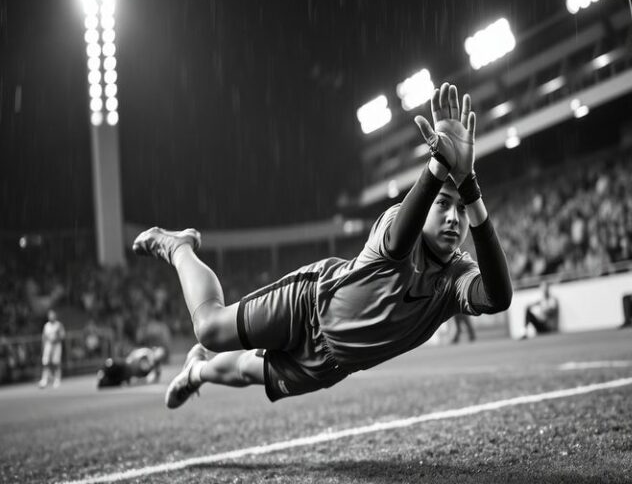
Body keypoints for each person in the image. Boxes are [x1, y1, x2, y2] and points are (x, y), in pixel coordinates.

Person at [133, 83, 512, 408]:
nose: (452, 217)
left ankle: (196, 370)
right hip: (307, 305)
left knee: (244, 370)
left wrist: (470, 187)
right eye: (443, 204)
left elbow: (497, 297)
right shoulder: (398, 222)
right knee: (210, 329)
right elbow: (398, 244)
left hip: (328, 364)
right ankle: (179, 247)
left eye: (461, 210)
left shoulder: (457, 277)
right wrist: (438, 167)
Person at [39, 309, 65, 389]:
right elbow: (44, 337)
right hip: (48, 345)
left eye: (52, 315)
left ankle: (57, 379)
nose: (51, 317)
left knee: (56, 363)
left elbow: (62, 335)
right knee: (46, 362)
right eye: (50, 315)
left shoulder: (58, 325)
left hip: (56, 345)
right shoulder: (46, 326)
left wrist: (56, 339)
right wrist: (43, 347)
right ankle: (44, 379)